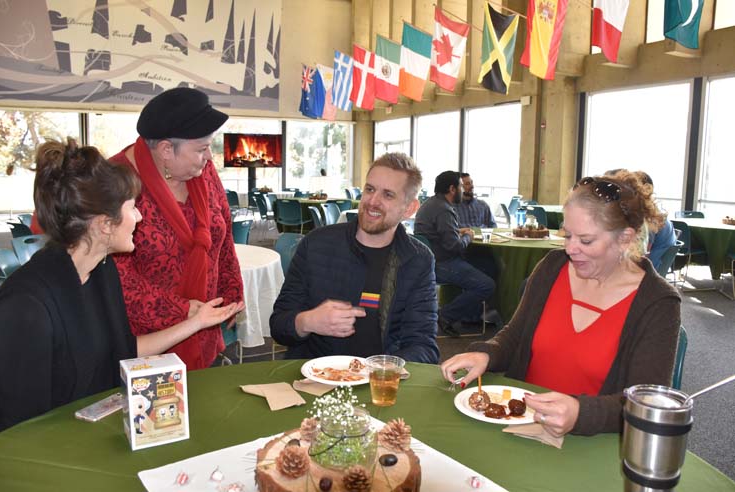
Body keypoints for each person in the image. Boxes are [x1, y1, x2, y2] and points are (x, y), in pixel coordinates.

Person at [0, 140, 243, 432]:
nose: (139, 217)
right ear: (104, 224)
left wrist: (196, 322)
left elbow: (123, 350)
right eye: (132, 208)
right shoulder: (27, 305)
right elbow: (20, 429)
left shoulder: (103, 271)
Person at [441, 171, 681, 436]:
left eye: (586, 240)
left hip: (594, 446)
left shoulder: (658, 302)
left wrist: (582, 413)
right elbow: (515, 335)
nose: (570, 249)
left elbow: (646, 403)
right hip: (523, 423)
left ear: (625, 238)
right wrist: (487, 353)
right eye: (567, 236)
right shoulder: (552, 267)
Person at [110, 88, 244, 370]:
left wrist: (231, 288)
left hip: (203, 327)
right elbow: (116, 277)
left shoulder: (202, 170)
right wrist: (183, 311)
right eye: (200, 148)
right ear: (166, 149)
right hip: (148, 343)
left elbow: (223, 232)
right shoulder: (114, 182)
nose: (209, 155)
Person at [270, 153, 439, 363]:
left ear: (410, 208)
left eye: (388, 195)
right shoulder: (316, 244)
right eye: (369, 189)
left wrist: (381, 370)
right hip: (315, 379)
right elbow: (278, 325)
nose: (373, 202)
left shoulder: (418, 260)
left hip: (380, 384)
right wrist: (307, 321)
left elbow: (423, 346)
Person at [414, 171, 496, 337]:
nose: (462, 189)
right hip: (442, 263)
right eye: (460, 185)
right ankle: (445, 315)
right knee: (487, 285)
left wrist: (457, 231)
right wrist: (468, 235)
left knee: (485, 266)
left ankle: (471, 317)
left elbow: (437, 233)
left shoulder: (431, 204)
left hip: (430, 260)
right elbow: (455, 247)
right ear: (452, 189)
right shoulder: (444, 210)